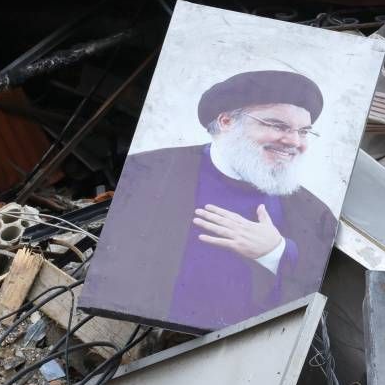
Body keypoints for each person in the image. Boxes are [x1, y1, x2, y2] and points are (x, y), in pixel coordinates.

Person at [87, 69, 340, 330]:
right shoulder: (150, 171)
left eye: (304, 132)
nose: (294, 141)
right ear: (226, 121)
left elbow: (321, 294)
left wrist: (276, 251)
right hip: (132, 332)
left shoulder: (315, 215)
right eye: (278, 126)